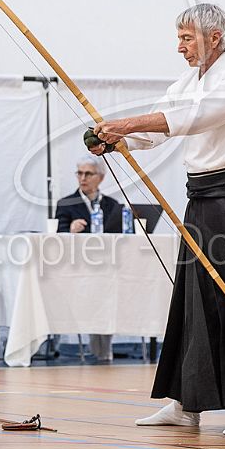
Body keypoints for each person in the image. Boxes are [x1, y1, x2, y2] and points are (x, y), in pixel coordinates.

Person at [91, 3, 225, 437]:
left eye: (187, 38)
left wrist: (123, 124)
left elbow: (193, 118)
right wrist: (116, 141)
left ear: (215, 38)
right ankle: (185, 404)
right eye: (179, 38)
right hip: (200, 200)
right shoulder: (186, 82)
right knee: (194, 298)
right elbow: (157, 129)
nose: (180, 47)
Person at [53, 155, 126, 362]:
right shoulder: (66, 204)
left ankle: (104, 347)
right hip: (77, 268)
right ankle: (97, 349)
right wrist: (70, 230)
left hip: (107, 267)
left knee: (110, 290)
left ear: (100, 178)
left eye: (88, 174)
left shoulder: (113, 205)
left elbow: (119, 235)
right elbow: (56, 237)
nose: (83, 178)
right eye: (80, 173)